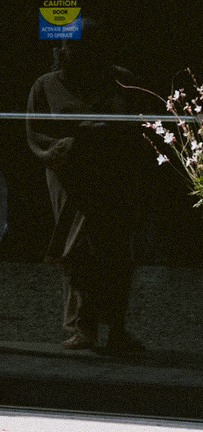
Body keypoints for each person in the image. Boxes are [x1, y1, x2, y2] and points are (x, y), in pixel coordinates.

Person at [26, 18, 146, 354]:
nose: (75, 51)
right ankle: (82, 326)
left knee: (116, 251)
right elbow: (34, 131)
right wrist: (64, 145)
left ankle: (117, 328)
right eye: (71, 45)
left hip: (114, 177)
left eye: (85, 44)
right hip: (71, 179)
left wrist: (112, 137)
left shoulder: (121, 81)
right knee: (77, 251)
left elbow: (141, 126)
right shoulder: (46, 85)